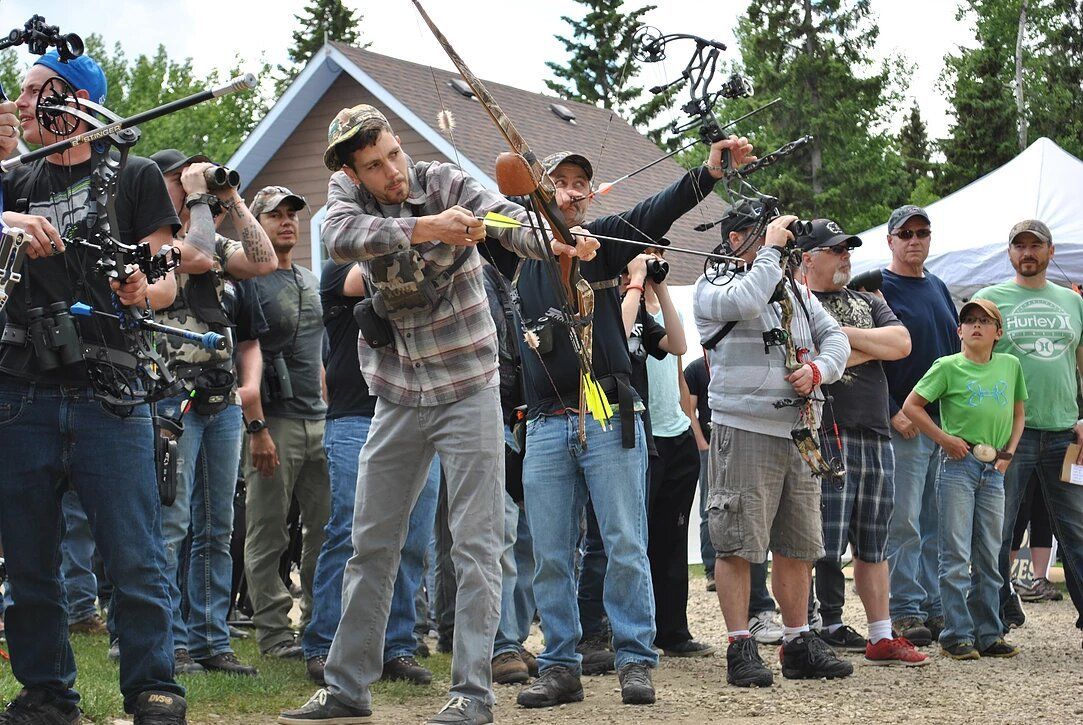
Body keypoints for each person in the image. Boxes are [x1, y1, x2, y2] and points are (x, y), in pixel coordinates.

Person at [280, 104, 592, 725]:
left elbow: (504, 221)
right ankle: (347, 687)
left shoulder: (445, 181)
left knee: (477, 545)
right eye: (375, 165)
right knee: (370, 543)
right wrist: (430, 231)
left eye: (393, 154)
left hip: (469, 388)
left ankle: (472, 694)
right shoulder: (346, 199)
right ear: (353, 170)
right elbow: (340, 238)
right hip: (397, 394)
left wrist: (552, 235)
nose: (393, 171)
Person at [491, 138, 754, 710]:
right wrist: (533, 212)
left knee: (624, 542)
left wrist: (707, 174)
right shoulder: (515, 248)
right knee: (554, 552)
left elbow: (653, 213)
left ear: (590, 194)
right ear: (539, 188)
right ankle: (561, 663)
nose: (571, 191)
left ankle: (636, 659)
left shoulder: (603, 244)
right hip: (544, 420)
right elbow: (488, 216)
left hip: (608, 414)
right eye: (558, 181)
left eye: (580, 184)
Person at [0, 52, 187, 723]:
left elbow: (166, 269)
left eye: (30, 90)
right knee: (28, 562)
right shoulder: (13, 180)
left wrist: (145, 287)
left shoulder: (133, 174)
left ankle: (153, 687)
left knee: (134, 553)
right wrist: (14, 222)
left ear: (73, 99)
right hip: (21, 389)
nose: (20, 103)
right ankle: (47, 691)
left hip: (112, 389)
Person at [694, 205, 853, 688]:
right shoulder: (714, 285)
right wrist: (771, 250)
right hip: (743, 429)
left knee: (798, 544)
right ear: (739, 236)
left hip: (798, 432)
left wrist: (820, 371)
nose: (780, 241)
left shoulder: (797, 291)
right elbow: (745, 301)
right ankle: (740, 644)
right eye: (764, 234)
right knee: (738, 542)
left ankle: (797, 640)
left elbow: (836, 339)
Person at [150, 148, 276, 676]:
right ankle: (168, 640)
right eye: (182, 180)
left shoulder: (212, 229)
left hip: (220, 401)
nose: (191, 188)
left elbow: (264, 259)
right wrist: (198, 197)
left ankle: (210, 639)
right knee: (171, 522)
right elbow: (196, 257)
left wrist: (230, 197)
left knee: (216, 526)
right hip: (169, 396)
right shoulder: (156, 240)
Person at [301, 259, 440, 687]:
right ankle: (324, 644)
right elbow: (388, 273)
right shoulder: (337, 270)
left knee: (413, 539)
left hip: (415, 415)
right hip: (353, 419)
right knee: (347, 533)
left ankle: (396, 646)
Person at [796, 219, 927, 666]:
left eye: (848, 249)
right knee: (814, 542)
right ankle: (805, 631)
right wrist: (871, 347)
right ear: (808, 258)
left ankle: (880, 635)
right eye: (836, 250)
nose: (846, 256)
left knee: (874, 541)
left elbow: (902, 342)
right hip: (823, 431)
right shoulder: (794, 303)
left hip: (874, 431)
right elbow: (805, 356)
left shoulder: (868, 299)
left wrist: (836, 340)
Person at [971, 219, 1083, 637]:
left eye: (1035, 245)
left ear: (1051, 252)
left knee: (1077, 532)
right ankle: (992, 619)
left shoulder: (1073, 302)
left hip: (1063, 435)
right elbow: (972, 362)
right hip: (1007, 437)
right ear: (1010, 253)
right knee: (996, 531)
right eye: (1019, 246)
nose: (1027, 253)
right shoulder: (989, 299)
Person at [902, 298, 1026, 660]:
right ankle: (957, 633)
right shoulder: (947, 366)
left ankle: (988, 632)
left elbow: (1019, 414)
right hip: (959, 463)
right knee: (954, 553)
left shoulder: (1011, 365)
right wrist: (944, 439)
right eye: (969, 320)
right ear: (959, 331)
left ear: (997, 333)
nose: (975, 326)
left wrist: (1008, 456)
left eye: (984, 322)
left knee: (989, 554)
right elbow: (912, 406)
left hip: (994, 467)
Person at [239, 186, 330, 659]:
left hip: (319, 422)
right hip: (273, 421)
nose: (287, 221)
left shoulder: (311, 281)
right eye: (275, 215)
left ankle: (318, 623)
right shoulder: (248, 281)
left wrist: (328, 411)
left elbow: (318, 356)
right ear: (256, 223)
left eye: (293, 213)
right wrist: (257, 429)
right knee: (269, 530)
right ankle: (273, 633)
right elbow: (243, 356)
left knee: (325, 529)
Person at [880, 205, 958, 645]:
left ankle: (934, 607)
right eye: (905, 233)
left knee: (936, 520)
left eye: (922, 232)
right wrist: (894, 409)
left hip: (940, 424)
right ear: (889, 241)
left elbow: (952, 357)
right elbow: (869, 359)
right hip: (904, 424)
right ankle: (905, 609)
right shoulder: (879, 289)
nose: (915, 240)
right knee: (904, 519)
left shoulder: (939, 287)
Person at [635, 251, 715, 658]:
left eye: (659, 257)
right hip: (643, 437)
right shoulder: (624, 307)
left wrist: (692, 430)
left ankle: (674, 631)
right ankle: (637, 631)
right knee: (638, 539)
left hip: (677, 436)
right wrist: (636, 282)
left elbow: (680, 365)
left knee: (673, 537)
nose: (654, 265)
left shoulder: (666, 308)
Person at [685, 354, 783, 645]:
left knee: (753, 519)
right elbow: (689, 408)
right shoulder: (695, 369)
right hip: (714, 445)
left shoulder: (747, 363)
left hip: (750, 442)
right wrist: (703, 444)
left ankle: (761, 608)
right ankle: (712, 571)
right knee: (714, 512)